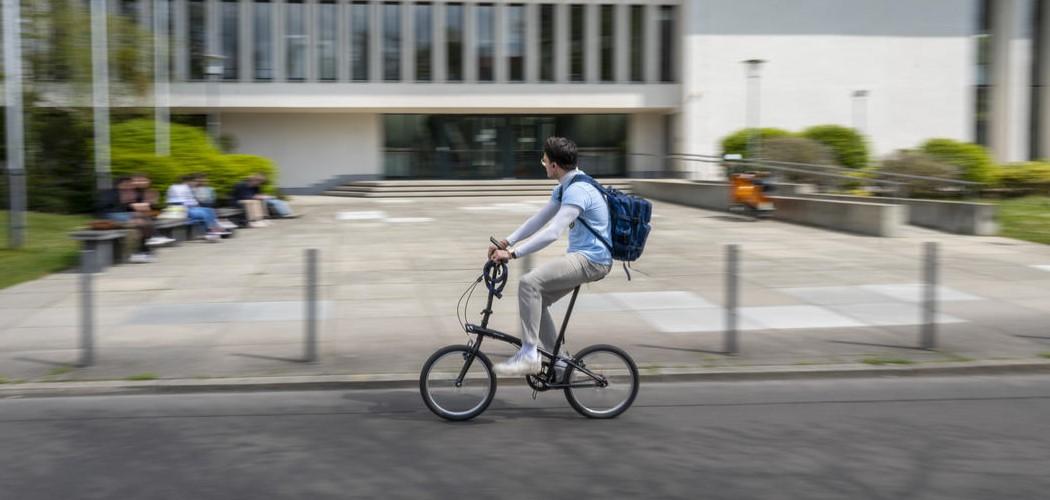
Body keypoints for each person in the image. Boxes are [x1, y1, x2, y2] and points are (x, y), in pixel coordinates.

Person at [488, 137, 612, 376]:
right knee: (537, 300)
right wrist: (508, 240)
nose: (543, 164)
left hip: (592, 260)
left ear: (554, 165)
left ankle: (529, 354)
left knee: (528, 283)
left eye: (544, 160)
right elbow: (540, 219)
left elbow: (553, 232)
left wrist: (512, 254)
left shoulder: (578, 190)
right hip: (584, 257)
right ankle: (560, 361)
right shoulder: (567, 185)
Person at [99, 175, 172, 263]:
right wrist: (131, 206)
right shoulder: (110, 193)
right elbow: (107, 207)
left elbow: (138, 205)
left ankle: (141, 252)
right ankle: (153, 239)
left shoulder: (132, 193)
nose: (131, 186)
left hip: (127, 217)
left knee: (141, 223)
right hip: (110, 216)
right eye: (129, 184)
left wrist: (139, 206)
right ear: (121, 184)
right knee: (141, 220)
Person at [166, 174, 230, 241]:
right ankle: (209, 231)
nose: (196, 183)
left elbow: (192, 200)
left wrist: (195, 204)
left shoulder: (187, 188)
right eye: (194, 181)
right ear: (188, 181)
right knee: (202, 213)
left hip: (190, 207)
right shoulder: (176, 188)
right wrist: (193, 205)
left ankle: (215, 228)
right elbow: (178, 202)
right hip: (181, 209)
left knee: (209, 210)